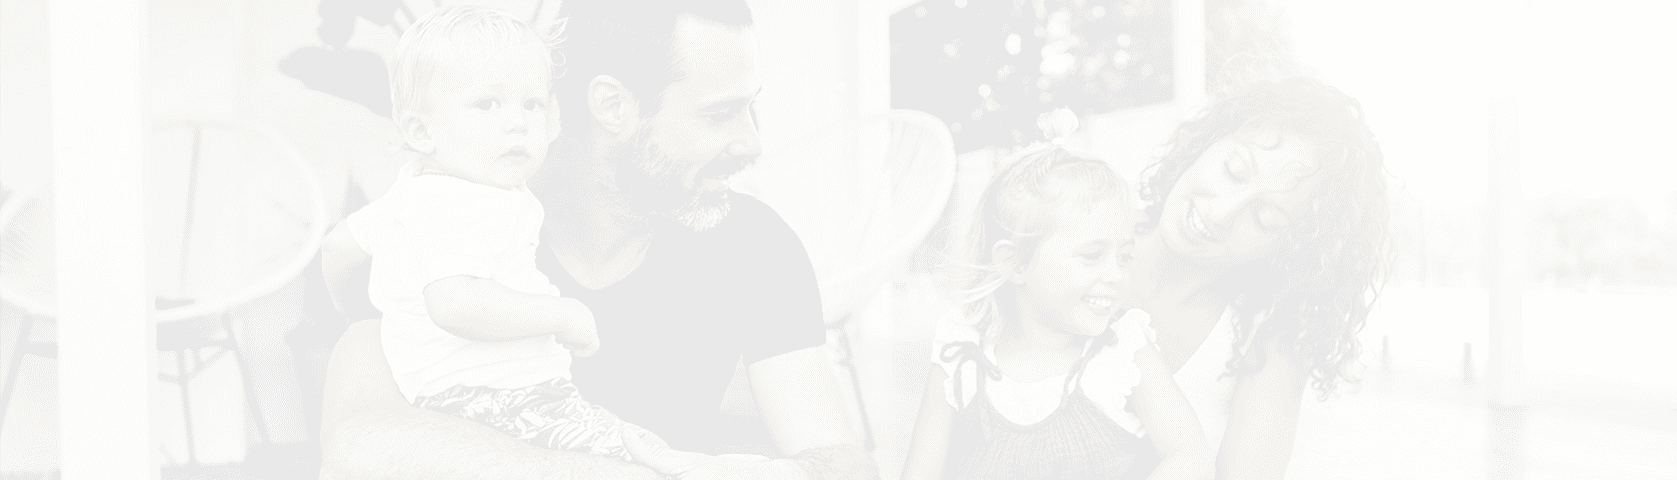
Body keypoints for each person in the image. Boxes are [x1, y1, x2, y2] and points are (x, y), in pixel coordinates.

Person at [317, 1, 876, 478]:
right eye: (720, 114)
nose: (752, 144)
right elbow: (360, 447)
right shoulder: (450, 213)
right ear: (613, 106)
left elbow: (838, 461)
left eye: (751, 108)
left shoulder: (752, 243)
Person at [900, 117, 1213, 480]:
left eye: (1124, 256)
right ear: (1015, 263)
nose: (1115, 274)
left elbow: (1190, 455)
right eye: (1092, 255)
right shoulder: (962, 355)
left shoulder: (1123, 352)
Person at [1128, 77, 1390, 479]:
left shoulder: (1267, 347)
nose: (1221, 213)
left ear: (1291, 249)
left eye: (1264, 219)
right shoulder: (1080, 229)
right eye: (1234, 170)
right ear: (1208, 142)